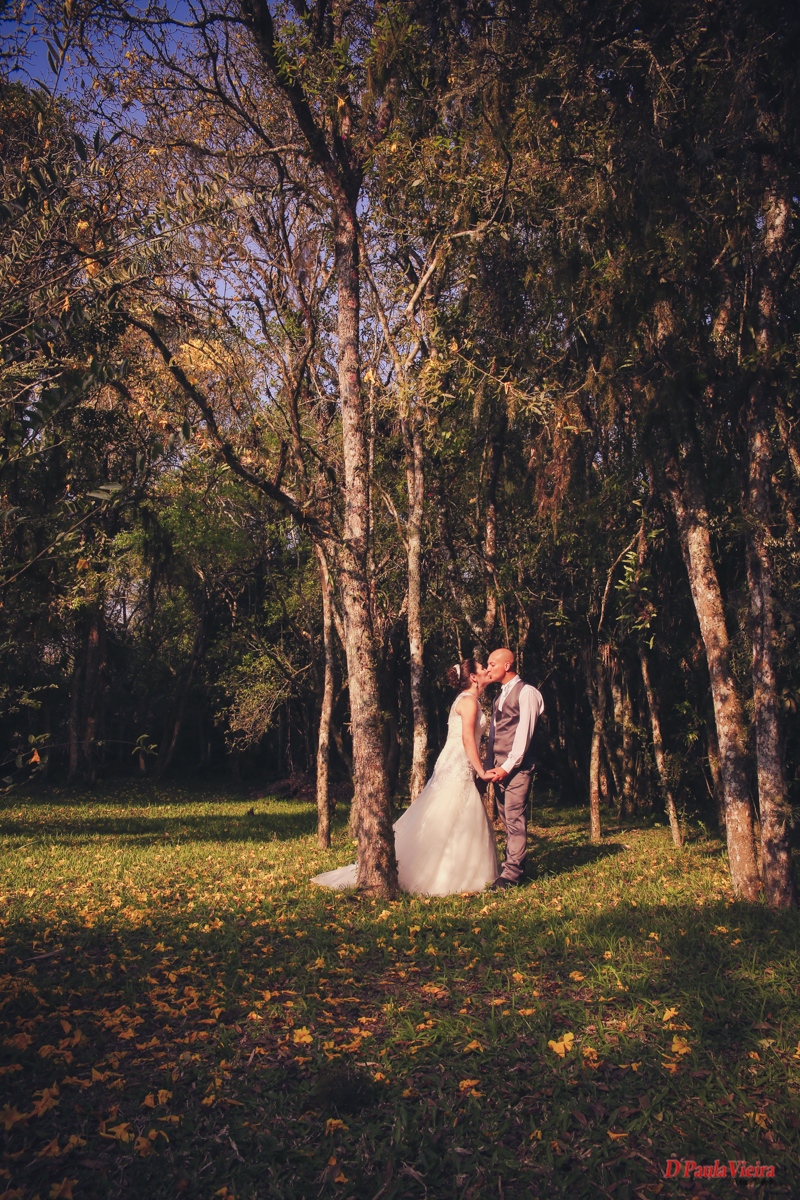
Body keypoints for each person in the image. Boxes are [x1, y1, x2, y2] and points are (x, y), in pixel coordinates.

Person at [311, 660, 499, 895]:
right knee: (450, 813)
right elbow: (467, 739)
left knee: (452, 814)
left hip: (457, 763)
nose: (486, 671)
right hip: (457, 763)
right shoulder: (469, 702)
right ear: (473, 677)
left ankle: (455, 870)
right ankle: (440, 875)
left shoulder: (469, 700)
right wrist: (481, 770)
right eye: (482, 668)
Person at [483, 648, 545, 891]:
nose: (488, 669)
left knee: (514, 818)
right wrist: (489, 767)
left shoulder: (528, 692)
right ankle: (515, 864)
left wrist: (507, 767)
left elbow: (524, 736)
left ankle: (511, 876)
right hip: (499, 769)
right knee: (506, 819)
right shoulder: (499, 696)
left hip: (517, 768)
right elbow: (494, 735)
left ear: (507, 665)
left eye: (491, 664)